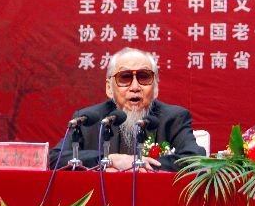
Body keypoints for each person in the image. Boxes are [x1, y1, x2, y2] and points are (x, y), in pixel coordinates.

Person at [49, 47, 206, 171]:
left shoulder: (173, 118)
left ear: (156, 88)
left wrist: (140, 165)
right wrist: (109, 160)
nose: (135, 87)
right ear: (109, 88)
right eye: (125, 78)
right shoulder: (88, 119)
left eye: (144, 77)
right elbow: (56, 158)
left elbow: (195, 158)